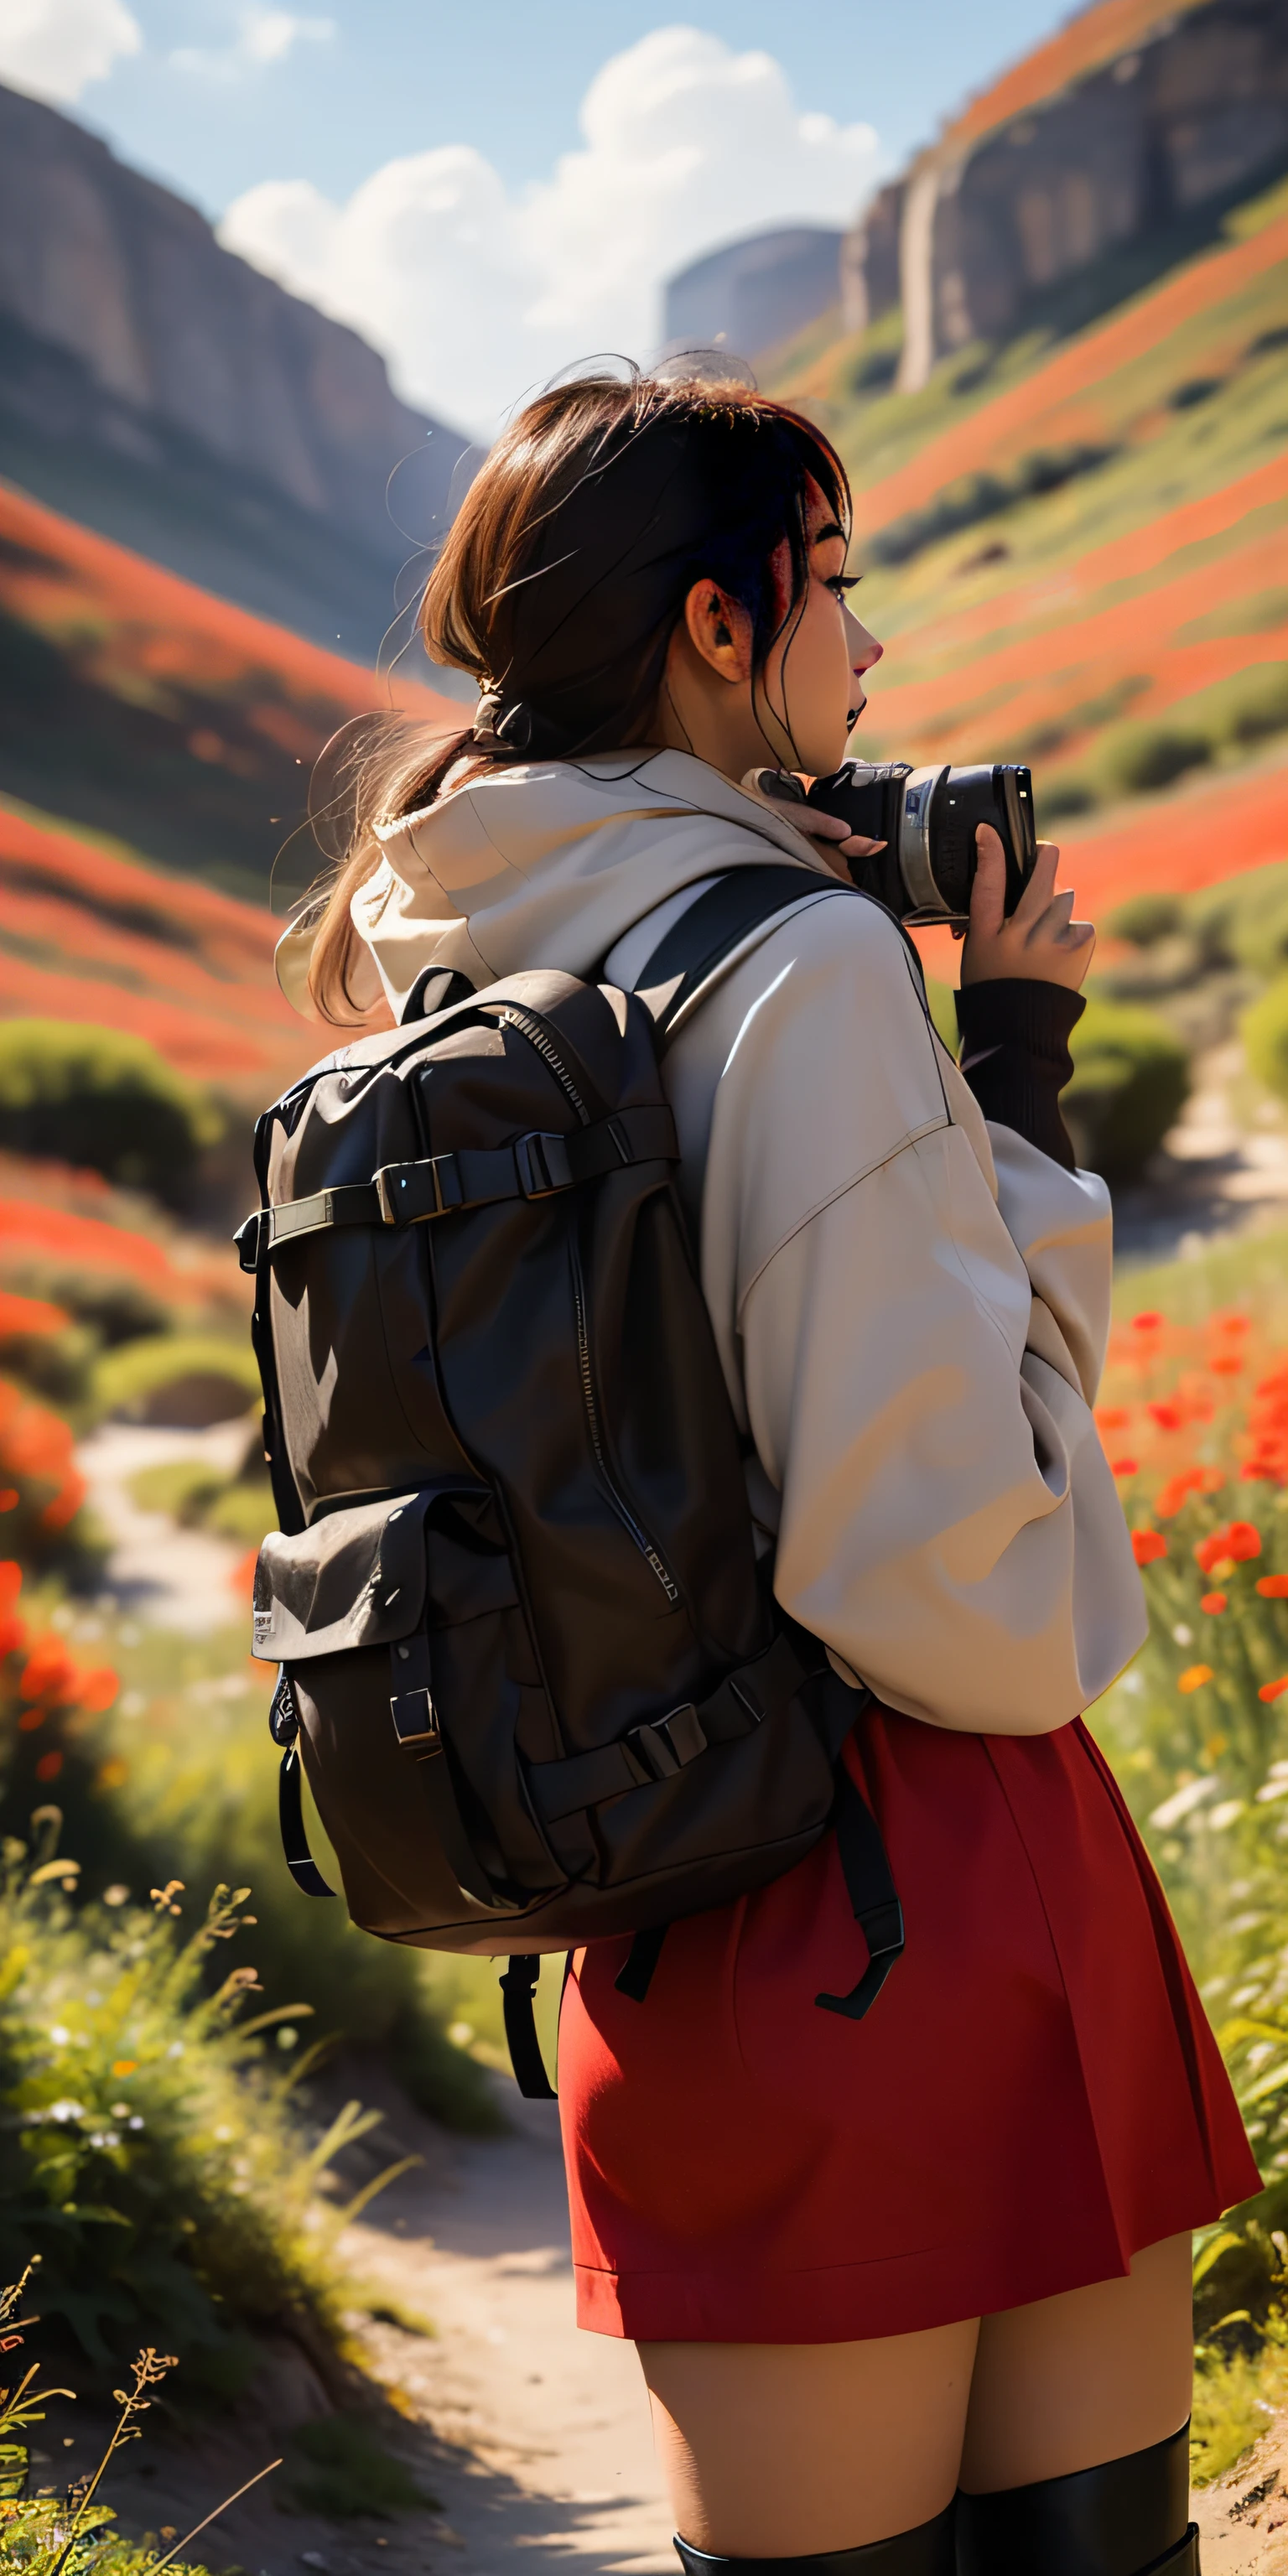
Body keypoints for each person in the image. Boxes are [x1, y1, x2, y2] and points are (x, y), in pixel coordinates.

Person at [299, 369, 1258, 2573]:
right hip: (932, 1892)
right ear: (724, 632)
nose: (875, 649)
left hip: (671, 1920)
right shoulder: (798, 969)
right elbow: (973, 1606)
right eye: (839, 584)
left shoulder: (452, 964)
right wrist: (1012, 1077)